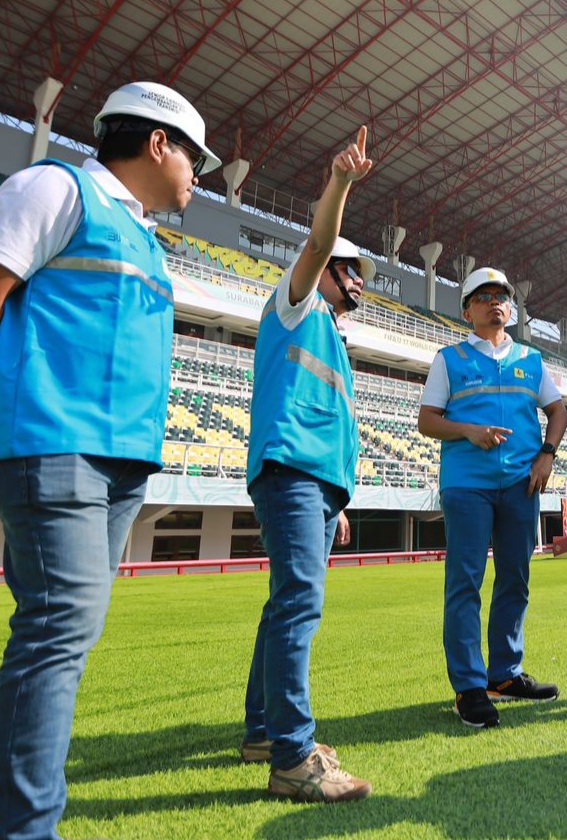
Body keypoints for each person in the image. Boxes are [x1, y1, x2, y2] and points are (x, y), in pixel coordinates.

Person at [0, 82, 221, 840]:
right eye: (196, 155)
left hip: (114, 459)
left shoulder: (143, 236)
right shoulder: (57, 187)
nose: (201, 174)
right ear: (158, 143)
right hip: (51, 441)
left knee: (54, 635)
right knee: (57, 631)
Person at [238, 126, 375, 803]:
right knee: (299, 605)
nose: (355, 280)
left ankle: (263, 729)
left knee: (283, 607)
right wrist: (341, 181)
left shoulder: (332, 338)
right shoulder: (296, 304)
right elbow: (319, 242)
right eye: (349, 269)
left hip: (316, 482)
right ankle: (293, 754)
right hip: (291, 471)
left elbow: (334, 423)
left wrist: (340, 499)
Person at [417, 267, 567, 728]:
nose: (494, 301)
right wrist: (468, 430)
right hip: (467, 484)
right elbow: (427, 420)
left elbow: (559, 412)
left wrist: (547, 455)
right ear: (467, 311)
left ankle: (504, 675)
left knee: (515, 580)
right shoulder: (450, 359)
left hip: (522, 485)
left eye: (501, 295)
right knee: (465, 583)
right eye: (482, 297)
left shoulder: (532, 359)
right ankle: (468, 686)